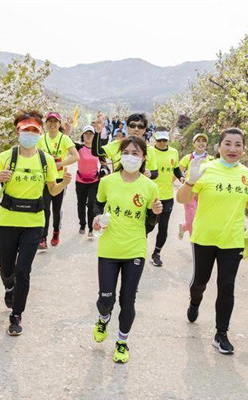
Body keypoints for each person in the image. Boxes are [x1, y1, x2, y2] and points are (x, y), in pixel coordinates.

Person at [176, 127, 248, 355]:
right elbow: (182, 199)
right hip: (204, 237)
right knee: (201, 281)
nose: (233, 149)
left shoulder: (247, 175)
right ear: (219, 147)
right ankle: (194, 301)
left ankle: (221, 334)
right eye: (227, 144)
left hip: (232, 240)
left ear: (243, 149)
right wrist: (190, 181)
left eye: (238, 144)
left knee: (226, 287)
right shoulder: (206, 170)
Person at [0, 110, 71, 335]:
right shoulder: (6, 157)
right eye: (26, 130)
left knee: (23, 270)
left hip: (34, 222)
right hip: (8, 220)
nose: (30, 134)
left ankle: (16, 315)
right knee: (7, 267)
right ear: (18, 131)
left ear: (40, 132)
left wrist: (63, 183)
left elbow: (52, 190)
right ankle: (9, 286)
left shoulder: (45, 160)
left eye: (34, 130)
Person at [91, 135, 162, 364]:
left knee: (128, 300)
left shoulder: (150, 187)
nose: (131, 157)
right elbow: (98, 204)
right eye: (127, 152)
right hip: (109, 249)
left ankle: (122, 342)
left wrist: (154, 213)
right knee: (106, 299)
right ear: (121, 155)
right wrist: (96, 218)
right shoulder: (108, 181)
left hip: (135, 249)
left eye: (136, 153)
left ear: (143, 158)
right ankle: (103, 318)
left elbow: (149, 226)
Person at [37, 112, 80, 249]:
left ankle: (56, 232)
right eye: (50, 121)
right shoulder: (41, 139)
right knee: (45, 209)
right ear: (46, 124)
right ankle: (43, 238)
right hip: (44, 179)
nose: (52, 123)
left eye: (55, 121)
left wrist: (60, 165)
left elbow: (76, 156)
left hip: (59, 178)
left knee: (56, 209)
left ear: (59, 124)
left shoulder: (64, 139)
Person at [146, 127, 185, 266]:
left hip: (167, 196)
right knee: (148, 226)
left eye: (165, 140)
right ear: (155, 139)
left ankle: (156, 253)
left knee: (163, 228)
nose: (162, 142)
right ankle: (138, 248)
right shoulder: (150, 151)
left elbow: (176, 168)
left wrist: (181, 176)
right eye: (159, 140)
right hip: (151, 196)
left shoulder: (174, 152)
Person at [92, 113, 158, 179]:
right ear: (127, 128)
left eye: (140, 126)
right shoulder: (117, 145)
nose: (136, 129)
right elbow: (97, 152)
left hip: (140, 187)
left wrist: (150, 173)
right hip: (119, 186)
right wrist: (98, 131)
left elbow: (155, 173)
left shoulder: (149, 150)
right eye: (133, 125)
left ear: (144, 130)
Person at [178, 133, 213, 240]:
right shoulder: (187, 158)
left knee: (201, 219)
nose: (201, 143)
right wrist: (182, 178)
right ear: (194, 144)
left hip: (204, 193)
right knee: (192, 219)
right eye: (198, 140)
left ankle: (184, 227)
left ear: (207, 144)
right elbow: (178, 170)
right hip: (190, 192)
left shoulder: (211, 160)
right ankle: (195, 243)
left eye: (204, 141)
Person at [74, 125, 104, 236]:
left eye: (91, 134)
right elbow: (66, 141)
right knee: (81, 204)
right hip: (80, 180)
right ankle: (82, 224)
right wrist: (67, 129)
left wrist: (104, 170)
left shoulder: (97, 149)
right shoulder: (79, 147)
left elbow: (104, 162)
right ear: (83, 135)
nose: (88, 136)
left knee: (91, 204)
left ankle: (91, 228)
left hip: (94, 181)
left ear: (94, 136)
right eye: (86, 133)